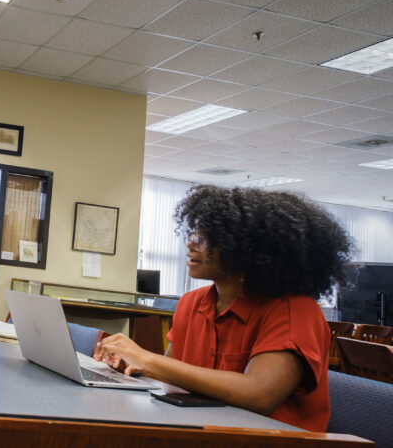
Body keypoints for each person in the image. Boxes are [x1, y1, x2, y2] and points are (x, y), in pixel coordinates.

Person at [94, 185, 352, 432]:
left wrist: (147, 359)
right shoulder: (191, 303)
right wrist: (132, 365)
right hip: (206, 433)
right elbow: (170, 377)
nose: (191, 244)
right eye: (193, 233)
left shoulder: (294, 310)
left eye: (206, 238)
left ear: (248, 249)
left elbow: (259, 394)